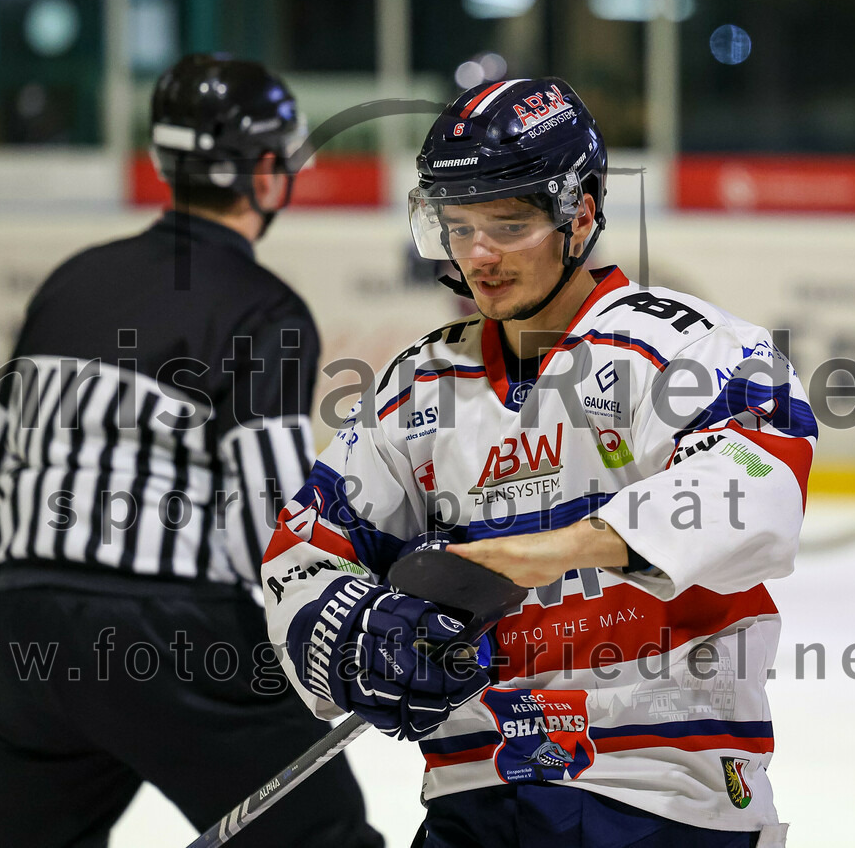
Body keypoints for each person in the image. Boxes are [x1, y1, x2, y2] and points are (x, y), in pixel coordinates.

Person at [263, 77, 816, 847]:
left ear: (580, 213)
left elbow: (757, 482)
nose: (478, 256)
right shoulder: (413, 387)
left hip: (657, 788)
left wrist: (553, 549)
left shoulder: (685, 346)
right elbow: (301, 551)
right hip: (473, 792)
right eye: (457, 227)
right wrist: (360, 638)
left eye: (508, 223)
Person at [0, 54, 383, 848]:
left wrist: (39, 601)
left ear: (163, 158)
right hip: (178, 647)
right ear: (266, 168)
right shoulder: (263, 308)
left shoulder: (70, 280)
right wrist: (355, 621)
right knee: (321, 840)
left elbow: (1, 471)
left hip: (17, 630)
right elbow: (275, 518)